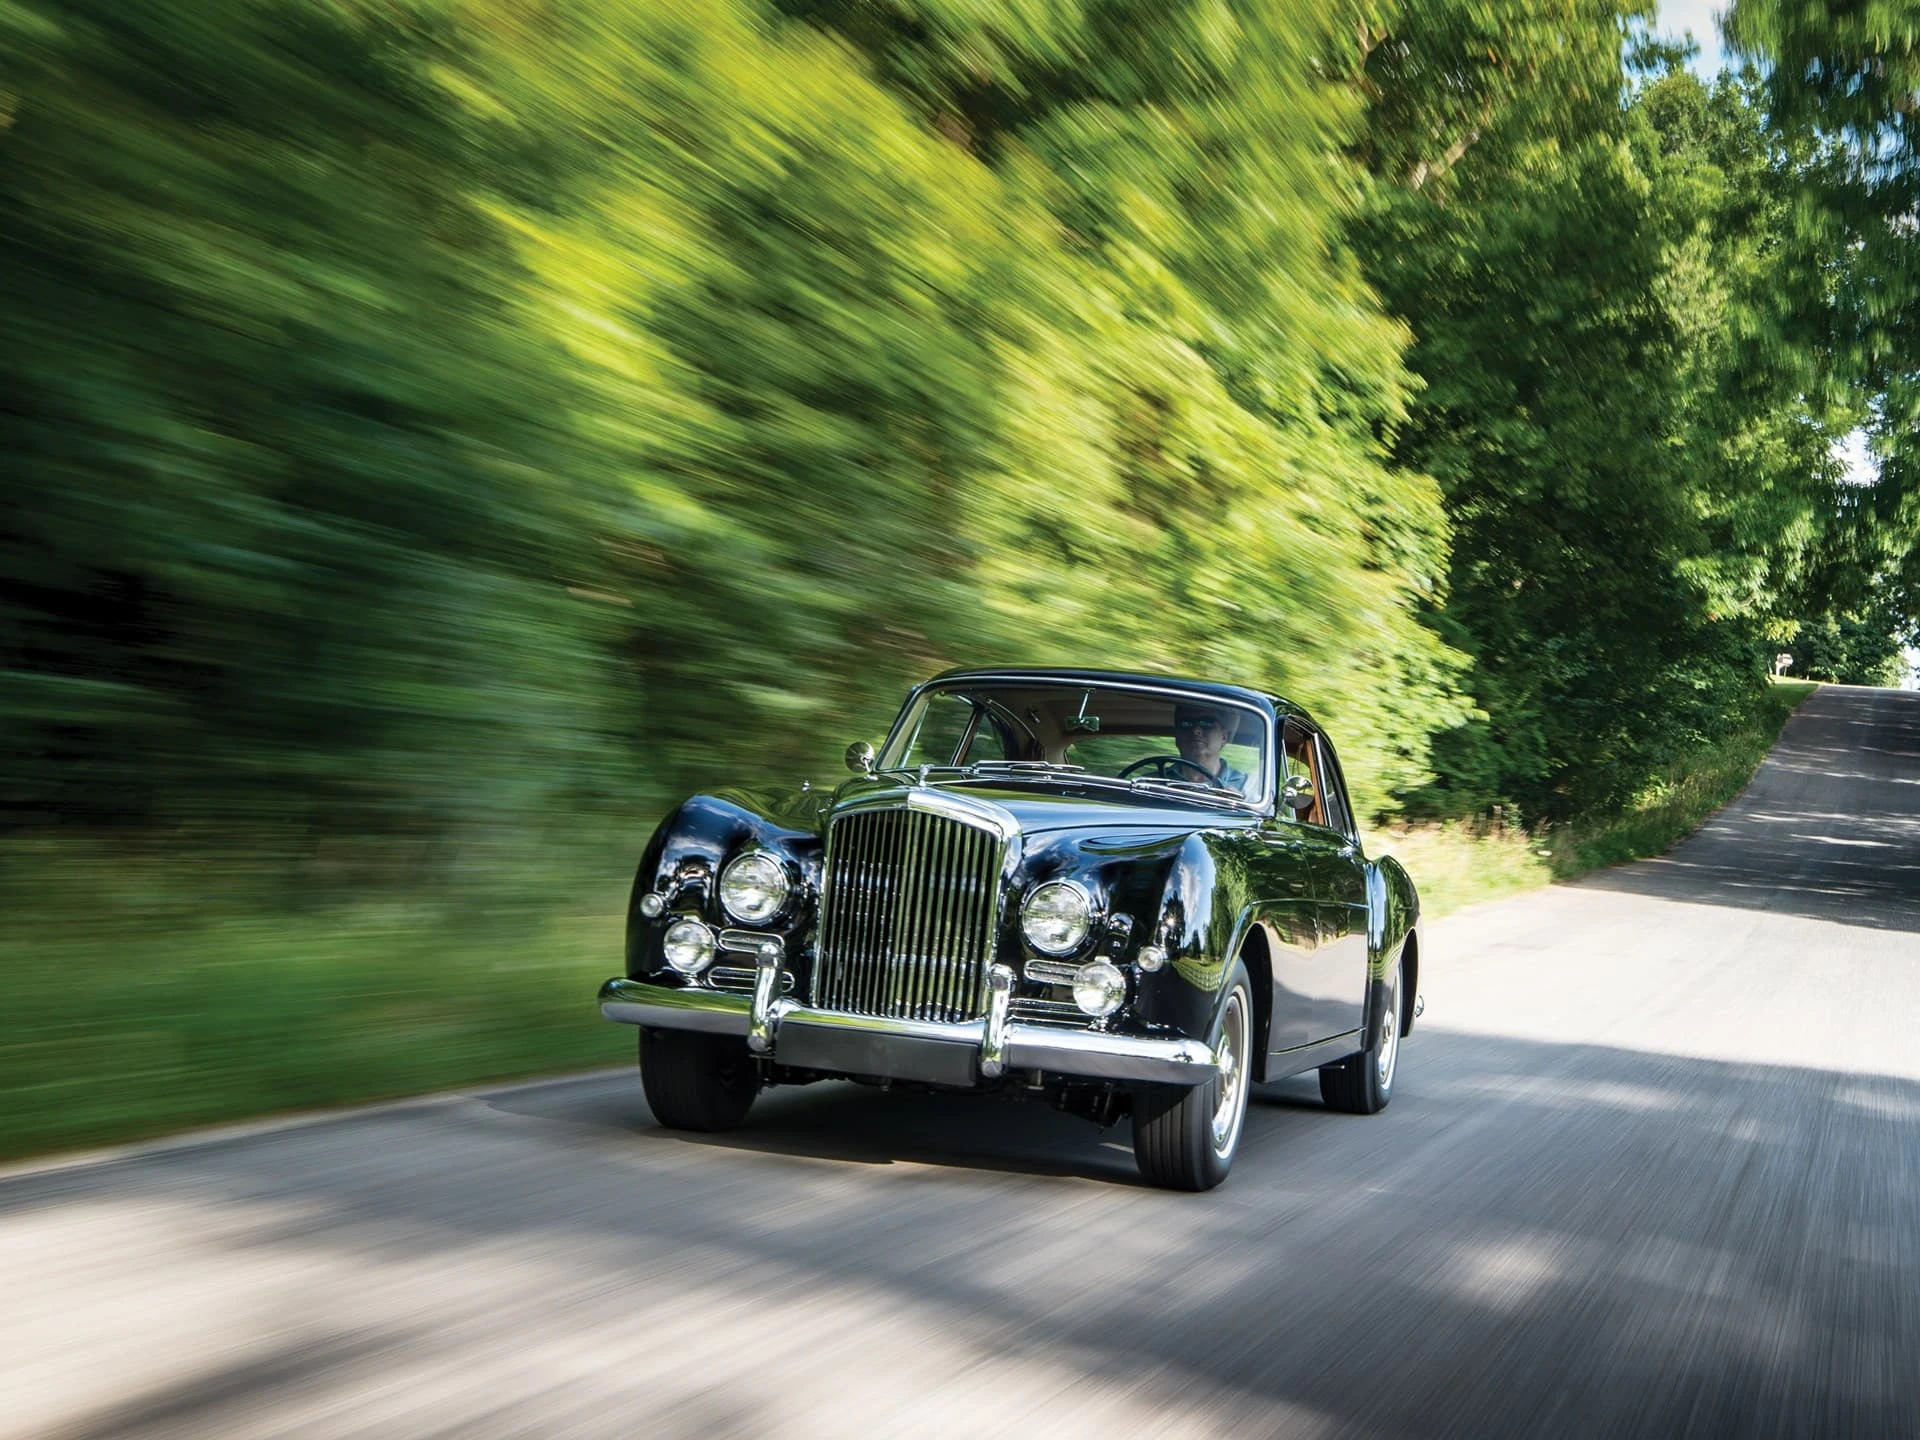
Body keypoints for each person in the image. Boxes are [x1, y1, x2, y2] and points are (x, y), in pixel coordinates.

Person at [1172, 704, 1249, 793]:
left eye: (1206, 723)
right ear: (1177, 737)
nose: (1195, 730)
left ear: (1224, 737)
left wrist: (1237, 805)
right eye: (1186, 723)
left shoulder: (1246, 786)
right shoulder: (1155, 781)